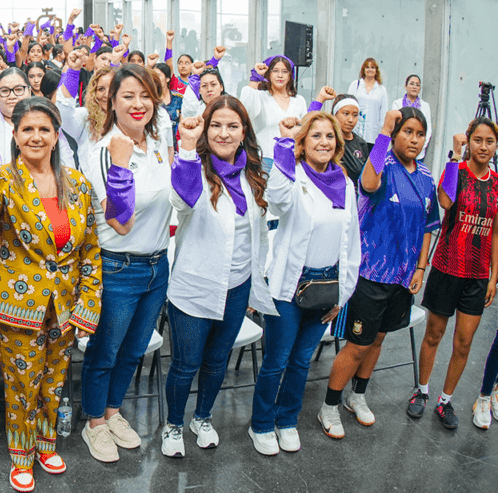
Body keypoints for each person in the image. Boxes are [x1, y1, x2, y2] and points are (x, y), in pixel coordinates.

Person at [0, 97, 102, 493]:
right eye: (27, 129)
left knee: (54, 380)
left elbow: (90, 249)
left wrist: (88, 303)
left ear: (57, 136)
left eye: (44, 129)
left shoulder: (77, 184)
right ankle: (21, 454)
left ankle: (45, 444)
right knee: (22, 384)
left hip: (65, 307)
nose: (36, 136)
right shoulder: (4, 179)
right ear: (16, 136)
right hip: (18, 306)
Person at [162, 96, 276, 457]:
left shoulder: (254, 176)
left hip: (238, 285)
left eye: (232, 126)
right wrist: (185, 148)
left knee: (217, 361)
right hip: (195, 286)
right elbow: (180, 203)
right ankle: (174, 425)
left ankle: (203, 417)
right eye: (216, 125)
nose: (223, 133)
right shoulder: (193, 169)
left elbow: (260, 233)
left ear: (244, 132)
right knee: (185, 364)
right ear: (205, 129)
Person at [318, 108, 439, 438]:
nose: (413, 139)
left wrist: (420, 267)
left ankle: (357, 396)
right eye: (407, 132)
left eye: (419, 133)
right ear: (395, 135)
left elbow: (429, 225)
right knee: (358, 344)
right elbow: (368, 184)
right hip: (371, 275)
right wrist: (384, 130)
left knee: (379, 340)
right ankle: (328, 405)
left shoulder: (426, 176)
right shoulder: (381, 164)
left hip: (402, 278)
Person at [249, 111, 360, 455]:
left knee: (301, 361)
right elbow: (278, 201)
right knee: (277, 360)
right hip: (289, 285)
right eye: (315, 136)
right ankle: (262, 424)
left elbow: (352, 241)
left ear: (337, 143)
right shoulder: (292, 176)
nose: (323, 142)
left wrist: (343, 293)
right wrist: (282, 144)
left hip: (326, 286)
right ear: (303, 143)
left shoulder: (345, 182)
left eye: (329, 136)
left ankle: (287, 420)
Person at [80, 65, 172, 462]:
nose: (138, 104)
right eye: (128, 96)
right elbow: (119, 223)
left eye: (145, 96)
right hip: (118, 267)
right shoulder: (102, 150)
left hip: (157, 264)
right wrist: (119, 167)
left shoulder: (155, 143)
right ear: (111, 102)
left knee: (134, 350)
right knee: (106, 350)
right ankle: (94, 423)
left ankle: (113, 412)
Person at [410, 120, 498, 430]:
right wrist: (455, 157)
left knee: (463, 343)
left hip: (476, 276)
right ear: (469, 142)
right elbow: (445, 203)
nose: (483, 146)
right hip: (447, 268)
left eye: (489, 141)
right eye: (477, 140)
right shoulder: (457, 171)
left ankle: (445, 401)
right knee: (434, 335)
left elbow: (496, 233)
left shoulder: (497, 182)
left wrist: (493, 276)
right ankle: (421, 392)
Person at [241, 56, 308, 170]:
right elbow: (243, 113)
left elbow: (306, 129)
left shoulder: (299, 100)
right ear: (269, 74)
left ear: (290, 76)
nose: (280, 75)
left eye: (284, 71)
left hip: (292, 159)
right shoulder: (259, 96)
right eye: (275, 71)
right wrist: (255, 78)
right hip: (264, 160)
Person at [328, 93, 369, 186]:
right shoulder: (329, 140)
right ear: (335, 114)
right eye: (346, 114)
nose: (350, 120)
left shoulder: (361, 143)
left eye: (355, 115)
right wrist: (320, 99)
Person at [391, 74, 432, 159]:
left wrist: (420, 145)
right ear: (406, 86)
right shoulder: (397, 104)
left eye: (417, 85)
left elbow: (428, 129)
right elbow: (393, 126)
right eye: (412, 84)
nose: (415, 87)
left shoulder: (425, 106)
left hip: (418, 152)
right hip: (400, 149)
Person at [350, 57, 387, 139]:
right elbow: (348, 104)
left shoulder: (381, 89)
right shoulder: (356, 85)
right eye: (367, 67)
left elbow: (383, 111)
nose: (370, 69)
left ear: (376, 71)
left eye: (372, 67)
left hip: (373, 133)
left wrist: (382, 130)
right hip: (356, 130)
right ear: (363, 70)